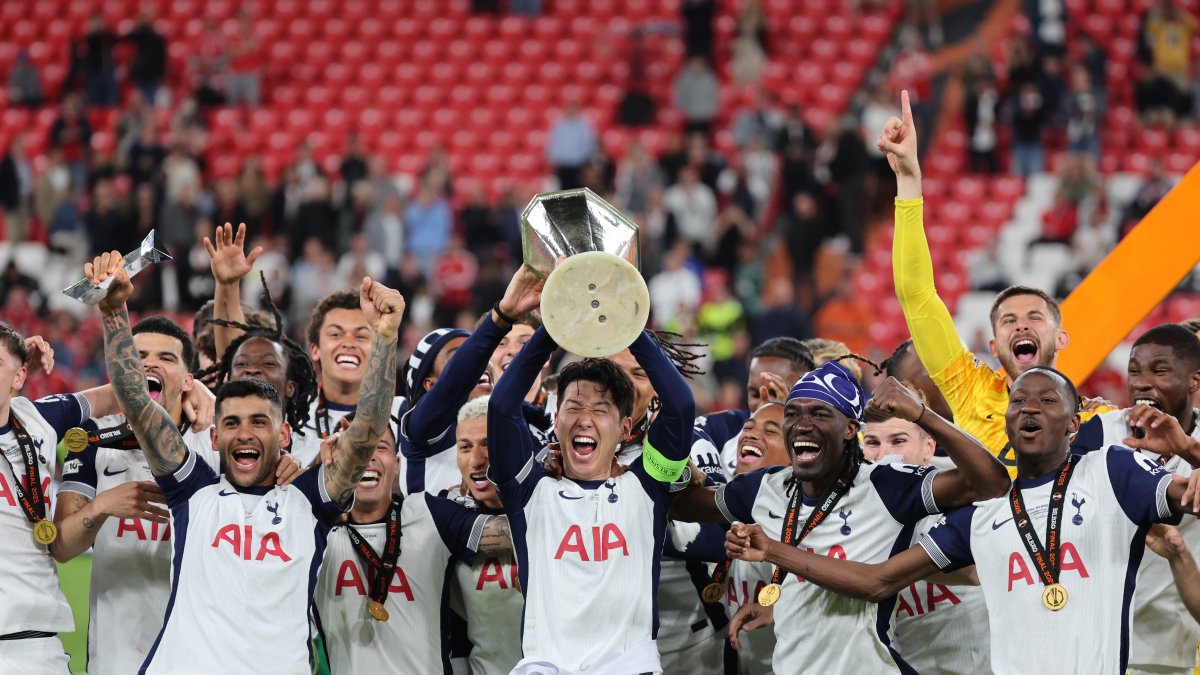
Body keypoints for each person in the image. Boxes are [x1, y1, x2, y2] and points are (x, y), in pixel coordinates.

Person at [726, 367, 1200, 674]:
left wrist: (1189, 450)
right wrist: (777, 560)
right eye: (1018, 401)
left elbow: (1192, 497)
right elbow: (875, 581)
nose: (1029, 408)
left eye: (1046, 401)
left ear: (1074, 424)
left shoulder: (1112, 472)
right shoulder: (981, 518)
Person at [86, 250, 404, 674]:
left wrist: (384, 338)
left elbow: (367, 429)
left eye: (259, 421)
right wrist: (113, 310)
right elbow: (137, 402)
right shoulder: (192, 490)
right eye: (232, 423)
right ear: (215, 438)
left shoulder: (309, 500)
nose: (245, 433)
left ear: (284, 435)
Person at [671, 364, 1011, 672]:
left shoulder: (885, 485)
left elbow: (992, 483)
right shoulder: (765, 488)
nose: (802, 425)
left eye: (819, 414)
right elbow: (680, 505)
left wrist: (922, 414)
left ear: (850, 428)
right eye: (792, 414)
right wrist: (678, 468)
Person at [53, 317, 300, 674]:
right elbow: (61, 548)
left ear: (188, 380)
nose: (150, 364)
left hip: (204, 653)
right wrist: (102, 507)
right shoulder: (92, 438)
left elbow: (264, 458)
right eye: (139, 356)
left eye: (165, 358)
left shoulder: (215, 441)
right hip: (117, 651)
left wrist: (286, 462)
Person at [885, 90, 1114, 474]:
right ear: (993, 346)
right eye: (1009, 321)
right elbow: (916, 294)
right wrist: (909, 179)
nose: (1021, 325)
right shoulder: (970, 391)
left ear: (1061, 339)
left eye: (1035, 317)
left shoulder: (1099, 421)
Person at [488, 319, 697, 673]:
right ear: (557, 420)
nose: (585, 419)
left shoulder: (648, 487)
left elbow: (681, 406)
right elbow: (501, 407)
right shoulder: (529, 491)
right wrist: (554, 325)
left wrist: (630, 326)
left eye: (600, 410)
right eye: (574, 407)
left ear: (625, 428)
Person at [314, 412, 511, 673]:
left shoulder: (430, 512)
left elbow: (518, 533)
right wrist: (316, 469)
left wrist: (539, 480)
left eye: (379, 447)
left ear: (397, 464)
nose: (366, 456)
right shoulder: (314, 530)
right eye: (354, 448)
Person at [0, 323, 138, 674]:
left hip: (38, 648)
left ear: (20, 377)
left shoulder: (41, 418)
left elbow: (128, 392)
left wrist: (199, 392)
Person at [1069, 323, 1200, 675]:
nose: (1142, 383)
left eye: (1159, 371)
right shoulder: (1099, 432)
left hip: (1162, 651)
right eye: (1134, 371)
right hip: (1087, 644)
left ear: (1194, 382)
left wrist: (1188, 450)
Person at [861, 403, 991, 674]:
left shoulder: (969, 491)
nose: (883, 455)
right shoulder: (854, 511)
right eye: (872, 442)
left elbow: (973, 574)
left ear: (928, 448)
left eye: (898, 441)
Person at [401, 266, 551, 495]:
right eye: (458, 357)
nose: (480, 363)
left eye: (482, 354)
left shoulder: (519, 425)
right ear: (430, 385)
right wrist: (502, 315)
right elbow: (453, 385)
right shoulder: (423, 430)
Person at [446, 396, 524, 675]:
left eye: (488, 444)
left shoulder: (553, 501)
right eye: (465, 447)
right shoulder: (443, 518)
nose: (476, 460)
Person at [695, 337, 814, 479]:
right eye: (754, 394)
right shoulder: (716, 428)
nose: (763, 405)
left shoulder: (820, 442)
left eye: (774, 393)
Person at [545, 101, 597, 191]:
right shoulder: (559, 126)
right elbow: (553, 144)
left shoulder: (584, 126)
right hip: (562, 166)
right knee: (563, 191)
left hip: (578, 166)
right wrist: (552, 159)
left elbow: (589, 144)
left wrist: (584, 160)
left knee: (577, 190)